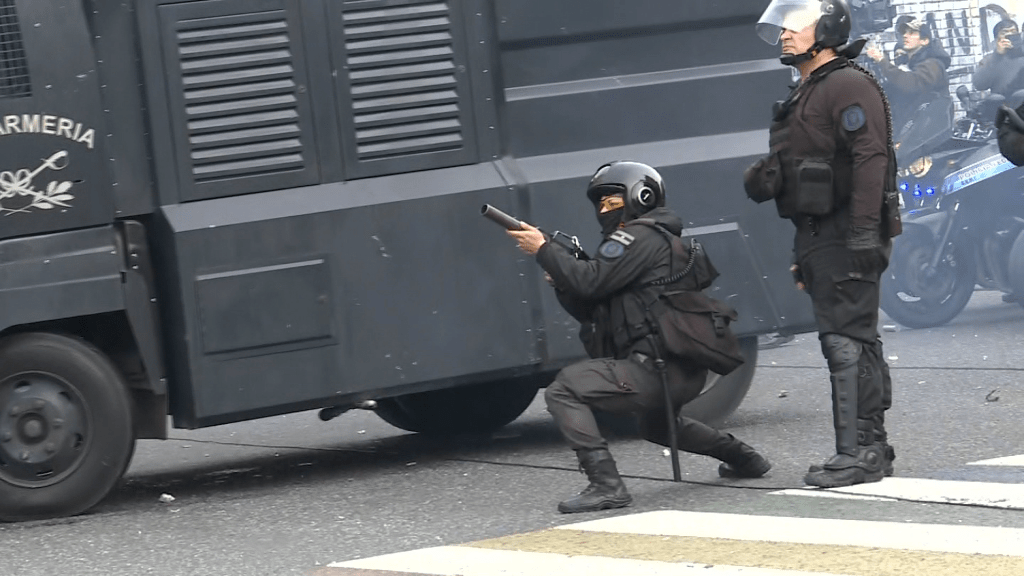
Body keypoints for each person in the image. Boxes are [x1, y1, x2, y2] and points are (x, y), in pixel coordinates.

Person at [507, 161, 771, 514]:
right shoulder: (647, 242)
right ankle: (744, 458)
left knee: (564, 389)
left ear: (641, 196)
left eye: (612, 201)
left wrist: (544, 250)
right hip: (676, 370)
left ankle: (606, 485)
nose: (604, 210)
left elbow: (590, 280)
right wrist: (561, 280)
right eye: (600, 203)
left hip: (656, 368)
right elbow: (592, 310)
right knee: (659, 426)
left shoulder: (638, 237)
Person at [743, 0, 899, 488]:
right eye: (783, 27)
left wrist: (859, 233)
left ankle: (858, 453)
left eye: (795, 25)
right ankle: (867, 448)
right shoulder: (809, 89)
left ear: (827, 29)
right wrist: (800, 253)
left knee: (846, 340)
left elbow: (871, 159)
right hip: (818, 236)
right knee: (850, 337)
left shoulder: (848, 84)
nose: (785, 34)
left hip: (846, 233)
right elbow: (802, 181)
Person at [864, 17, 950, 138]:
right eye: (904, 32)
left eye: (912, 33)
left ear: (924, 41)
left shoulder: (932, 64)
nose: (905, 36)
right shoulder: (914, 64)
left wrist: (882, 61)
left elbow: (911, 84)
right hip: (915, 131)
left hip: (926, 136)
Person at [973, 19, 1024, 100]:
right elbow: (979, 84)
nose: (1009, 35)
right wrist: (997, 55)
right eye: (1004, 33)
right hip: (1001, 106)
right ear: (996, 38)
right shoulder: (990, 59)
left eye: (1013, 32)